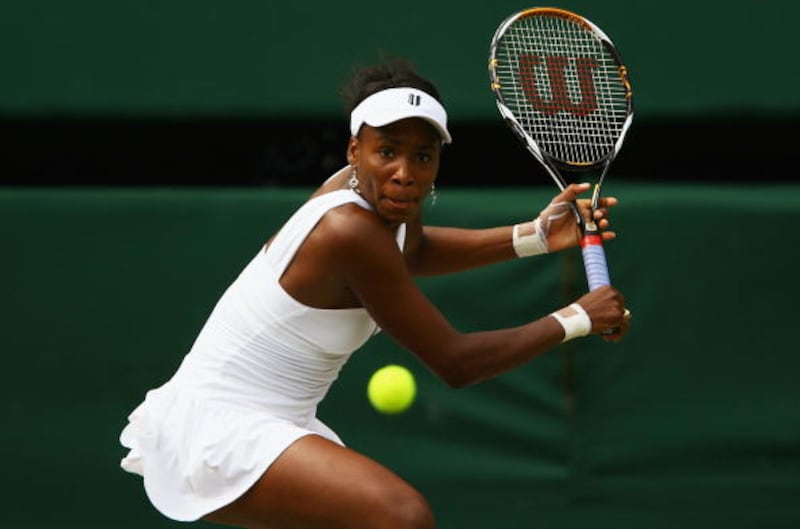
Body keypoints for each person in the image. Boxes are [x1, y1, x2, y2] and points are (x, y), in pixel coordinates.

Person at [119, 57, 630, 529]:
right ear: (354, 150)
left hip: (273, 421)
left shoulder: (376, 197)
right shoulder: (349, 231)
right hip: (220, 428)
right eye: (387, 151)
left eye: (422, 156)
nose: (404, 173)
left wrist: (535, 236)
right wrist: (577, 317)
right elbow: (457, 363)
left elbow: (413, 250)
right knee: (402, 517)